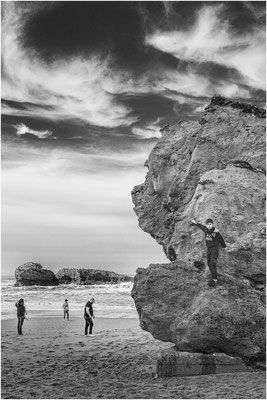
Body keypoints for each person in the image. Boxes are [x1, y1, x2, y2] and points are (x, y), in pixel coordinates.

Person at [191, 218, 226, 287]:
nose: (209, 226)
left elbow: (221, 239)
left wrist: (224, 246)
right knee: (209, 263)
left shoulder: (216, 232)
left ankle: (215, 279)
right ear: (206, 225)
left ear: (212, 224)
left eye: (210, 224)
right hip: (209, 248)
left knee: (213, 263)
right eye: (208, 224)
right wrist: (195, 223)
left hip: (214, 248)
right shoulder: (206, 230)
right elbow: (201, 226)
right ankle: (213, 277)